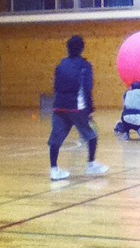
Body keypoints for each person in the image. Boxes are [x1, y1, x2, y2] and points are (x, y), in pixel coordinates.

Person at [47, 35, 109, 181]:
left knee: (55, 139)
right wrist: (90, 109)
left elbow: (55, 86)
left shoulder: (60, 65)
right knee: (91, 134)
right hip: (77, 106)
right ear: (82, 48)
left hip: (59, 106)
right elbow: (87, 88)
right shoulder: (84, 66)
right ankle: (91, 164)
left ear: (67, 48)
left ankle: (54, 169)